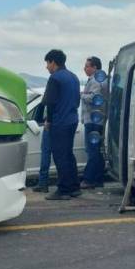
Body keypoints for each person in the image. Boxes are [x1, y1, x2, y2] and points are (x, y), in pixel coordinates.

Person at [42, 49, 81, 200]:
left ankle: (63, 190)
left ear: (53, 62)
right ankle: (74, 187)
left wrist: (48, 121)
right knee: (68, 154)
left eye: (47, 63)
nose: (46, 67)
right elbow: (77, 101)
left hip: (59, 122)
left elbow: (50, 103)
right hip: (72, 120)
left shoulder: (55, 78)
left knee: (59, 156)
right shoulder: (74, 77)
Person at [80, 56, 107, 189]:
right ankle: (98, 179)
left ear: (95, 67)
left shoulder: (96, 80)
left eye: (87, 66)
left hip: (93, 120)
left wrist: (82, 95)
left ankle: (89, 179)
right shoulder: (96, 79)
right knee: (96, 150)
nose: (85, 68)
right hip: (95, 120)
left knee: (92, 151)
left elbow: (94, 98)